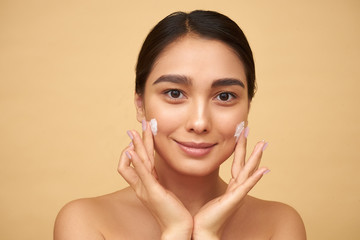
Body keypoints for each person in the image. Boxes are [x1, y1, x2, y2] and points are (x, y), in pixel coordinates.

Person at [54, 10, 306, 240]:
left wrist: (206, 233)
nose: (199, 123)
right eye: (175, 93)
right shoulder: (86, 222)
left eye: (225, 96)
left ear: (247, 107)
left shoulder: (280, 225)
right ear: (140, 105)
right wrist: (176, 232)